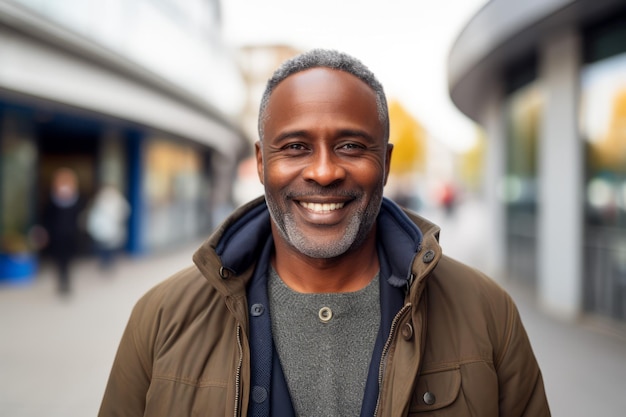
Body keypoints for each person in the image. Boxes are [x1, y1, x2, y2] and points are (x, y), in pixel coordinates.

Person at [99, 49, 550, 416]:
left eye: (350, 146)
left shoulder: (488, 313)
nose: (323, 171)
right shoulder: (161, 319)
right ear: (260, 162)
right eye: (295, 147)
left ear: (387, 163)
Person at [42, 167, 83, 295]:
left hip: (71, 235)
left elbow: (80, 216)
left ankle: (66, 282)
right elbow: (47, 218)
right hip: (57, 235)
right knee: (59, 261)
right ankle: (62, 282)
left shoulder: (77, 200)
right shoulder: (52, 200)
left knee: (69, 261)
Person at [86, 184, 131, 270]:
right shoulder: (100, 200)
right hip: (103, 228)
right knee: (104, 246)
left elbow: (125, 210)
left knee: (110, 246)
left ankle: (108, 262)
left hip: (111, 228)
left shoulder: (117, 199)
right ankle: (105, 262)